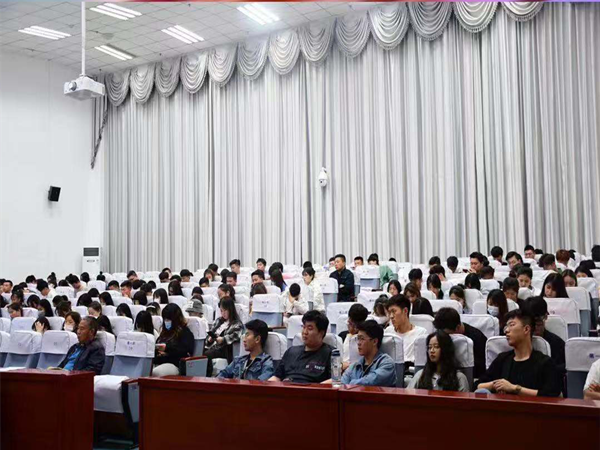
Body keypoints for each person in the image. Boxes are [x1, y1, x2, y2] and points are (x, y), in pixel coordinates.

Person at [476, 310, 561, 397]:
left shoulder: (544, 362)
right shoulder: (503, 359)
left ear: (526, 329)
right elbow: (477, 385)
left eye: (512, 325)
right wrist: (496, 384)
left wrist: (515, 388)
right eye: (506, 327)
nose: (506, 330)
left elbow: (551, 394)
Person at [269, 310, 333, 383]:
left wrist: (318, 387)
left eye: (310, 328)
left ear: (321, 333)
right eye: (303, 327)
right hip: (287, 387)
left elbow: (335, 380)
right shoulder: (291, 351)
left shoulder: (331, 354)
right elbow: (277, 377)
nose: (304, 332)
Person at [433, 307, 487, 378]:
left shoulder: (477, 338)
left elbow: (481, 368)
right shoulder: (437, 335)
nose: (441, 335)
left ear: (457, 328)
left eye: (445, 334)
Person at [341, 320, 395, 387]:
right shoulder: (354, 366)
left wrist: (350, 384)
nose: (358, 343)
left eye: (362, 339)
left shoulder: (387, 364)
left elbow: (370, 383)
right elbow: (342, 386)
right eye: (358, 339)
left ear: (374, 341)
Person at [524, 296, 566, 377]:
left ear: (546, 316)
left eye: (538, 322)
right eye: (531, 323)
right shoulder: (517, 341)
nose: (534, 327)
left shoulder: (557, 344)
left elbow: (562, 369)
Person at [204, 297, 244, 376]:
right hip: (214, 346)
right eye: (221, 311)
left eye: (225, 310)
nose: (223, 313)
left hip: (225, 348)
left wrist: (223, 339)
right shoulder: (218, 320)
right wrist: (209, 339)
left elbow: (236, 336)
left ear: (231, 310)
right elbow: (211, 333)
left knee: (207, 354)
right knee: (200, 352)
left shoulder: (237, 323)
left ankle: (207, 376)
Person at [153, 304, 195, 376]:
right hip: (160, 361)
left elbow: (185, 351)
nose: (166, 321)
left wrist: (167, 350)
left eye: (168, 319)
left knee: (155, 372)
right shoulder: (165, 333)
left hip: (175, 364)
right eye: (165, 319)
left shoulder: (185, 333)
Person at [385, 295, 428, 364]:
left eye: (394, 311)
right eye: (389, 312)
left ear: (405, 311)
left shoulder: (421, 333)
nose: (391, 316)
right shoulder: (388, 332)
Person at [339, 303, 369, 370]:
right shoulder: (342, 336)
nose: (354, 328)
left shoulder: (367, 338)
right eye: (350, 323)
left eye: (356, 325)